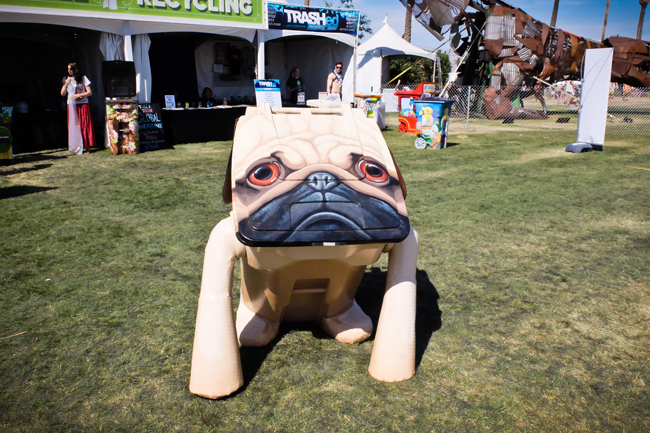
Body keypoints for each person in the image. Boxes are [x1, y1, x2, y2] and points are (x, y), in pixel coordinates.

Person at [60, 62, 96, 155]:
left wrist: (78, 95)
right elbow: (62, 94)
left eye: (71, 69)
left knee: (84, 124)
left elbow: (89, 92)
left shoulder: (83, 78)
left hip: (82, 104)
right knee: (74, 126)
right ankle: (76, 147)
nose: (69, 71)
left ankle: (87, 147)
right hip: (71, 105)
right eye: (68, 69)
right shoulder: (66, 79)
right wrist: (65, 84)